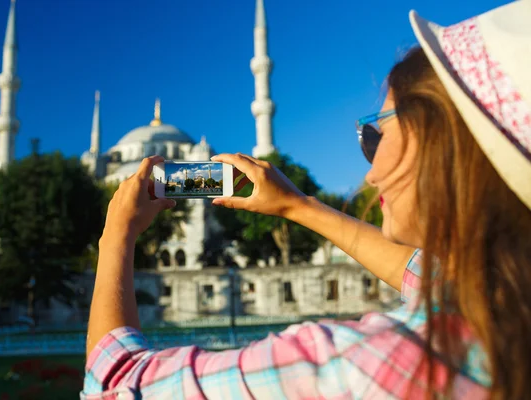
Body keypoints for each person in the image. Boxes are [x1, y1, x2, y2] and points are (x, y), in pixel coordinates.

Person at [82, 2, 531, 399]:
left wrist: (116, 234)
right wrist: (296, 206)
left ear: (445, 145)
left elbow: (115, 382)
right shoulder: (505, 305)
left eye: (378, 134)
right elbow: (425, 272)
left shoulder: (361, 366)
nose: (371, 172)